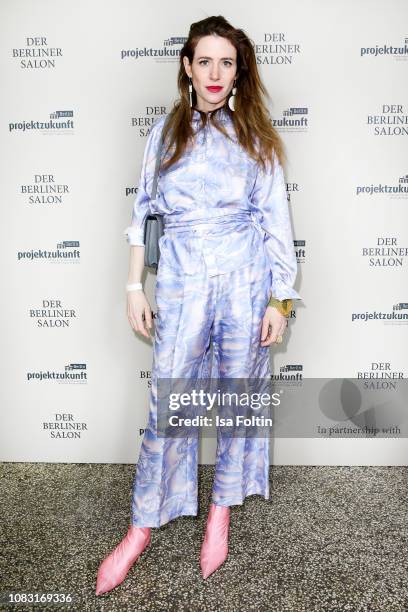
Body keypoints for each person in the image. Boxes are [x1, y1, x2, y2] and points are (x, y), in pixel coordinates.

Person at [96, 15, 302, 596]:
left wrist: (280, 301)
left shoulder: (257, 139)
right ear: (186, 67)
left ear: (239, 72)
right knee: (170, 402)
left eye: (227, 62)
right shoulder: (163, 135)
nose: (215, 73)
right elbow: (143, 215)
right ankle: (141, 526)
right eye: (204, 61)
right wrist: (135, 287)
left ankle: (220, 512)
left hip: (245, 279)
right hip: (183, 281)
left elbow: (276, 225)